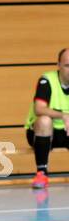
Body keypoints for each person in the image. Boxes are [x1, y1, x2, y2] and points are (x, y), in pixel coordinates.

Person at [25, 47, 69, 189]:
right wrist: (63, 115)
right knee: (44, 120)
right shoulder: (47, 80)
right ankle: (42, 173)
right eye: (67, 65)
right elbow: (39, 108)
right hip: (42, 133)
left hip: (66, 131)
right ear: (59, 65)